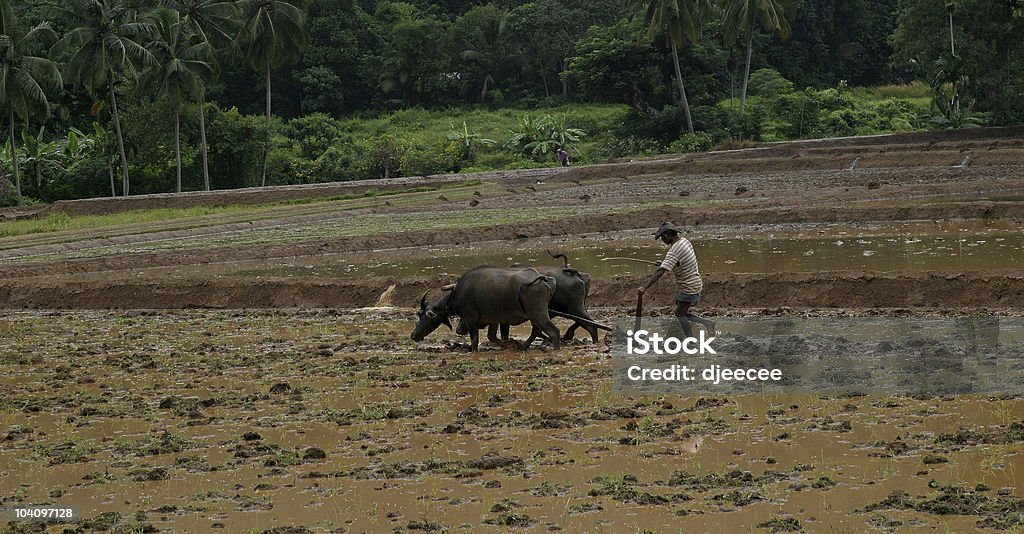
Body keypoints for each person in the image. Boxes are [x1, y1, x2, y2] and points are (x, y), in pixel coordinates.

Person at [638, 221, 715, 338]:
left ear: (668, 234)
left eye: (662, 237)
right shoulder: (684, 241)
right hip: (693, 281)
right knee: (680, 312)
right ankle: (701, 328)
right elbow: (680, 262)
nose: (662, 241)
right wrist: (664, 263)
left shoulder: (674, 251)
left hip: (689, 286)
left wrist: (645, 287)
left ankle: (693, 336)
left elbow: (660, 271)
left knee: (680, 314)